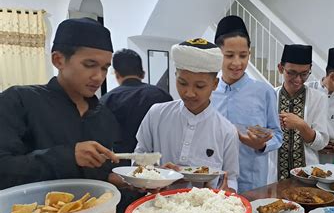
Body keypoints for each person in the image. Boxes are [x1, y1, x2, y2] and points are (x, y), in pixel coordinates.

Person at [0, 17, 120, 189]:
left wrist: (124, 180)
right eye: (89, 65)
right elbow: (4, 170)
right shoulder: (20, 101)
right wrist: (69, 157)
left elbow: (99, 176)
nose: (98, 77)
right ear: (58, 60)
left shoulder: (103, 116)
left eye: (104, 68)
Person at [135, 38, 239, 191]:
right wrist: (153, 175)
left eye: (200, 86)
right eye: (182, 83)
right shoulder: (156, 115)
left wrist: (226, 192)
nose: (189, 93)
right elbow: (138, 162)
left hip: (204, 211)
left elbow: (230, 178)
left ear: (215, 84)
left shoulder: (226, 131)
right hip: (157, 207)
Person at [211, 15, 282, 192]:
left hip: (251, 181)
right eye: (229, 55)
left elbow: (277, 135)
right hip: (213, 179)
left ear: (249, 53)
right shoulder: (209, 92)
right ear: (217, 54)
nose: (237, 63)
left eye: (243, 55)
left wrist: (261, 144)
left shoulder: (264, 91)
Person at [268, 44, 329, 182]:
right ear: (280, 68)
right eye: (291, 73)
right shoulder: (269, 96)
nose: (298, 79)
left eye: (304, 74)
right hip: (274, 177)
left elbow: (321, 143)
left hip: (308, 177)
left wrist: (301, 125)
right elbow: (262, 142)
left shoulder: (319, 99)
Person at [100, 48, 172, 154]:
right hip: (159, 163)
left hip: (121, 165)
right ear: (142, 73)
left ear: (116, 74)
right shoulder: (162, 96)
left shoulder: (107, 100)